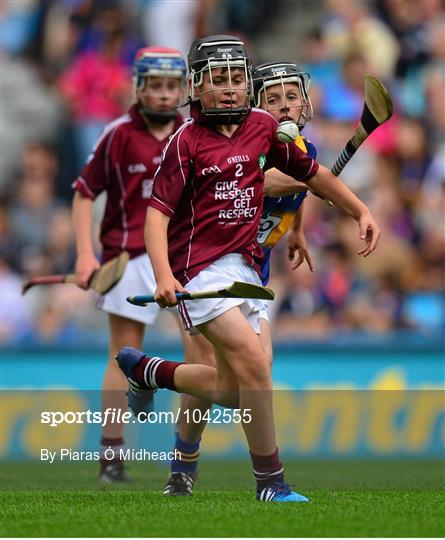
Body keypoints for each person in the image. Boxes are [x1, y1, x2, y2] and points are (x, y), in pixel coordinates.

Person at [116, 35, 380, 502]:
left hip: (248, 266)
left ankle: (150, 372)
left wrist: (357, 210)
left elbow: (309, 177)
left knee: (240, 387)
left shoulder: (260, 128)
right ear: (198, 87)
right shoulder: (187, 143)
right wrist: (162, 275)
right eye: (221, 80)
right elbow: (159, 215)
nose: (232, 88)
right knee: (246, 367)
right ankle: (261, 480)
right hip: (197, 267)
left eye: (239, 78)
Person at [71, 46, 190, 482]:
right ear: (138, 87)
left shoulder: (192, 132)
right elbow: (84, 193)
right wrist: (85, 254)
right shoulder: (117, 133)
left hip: (184, 258)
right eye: (154, 86)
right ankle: (111, 457)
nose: (163, 95)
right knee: (120, 353)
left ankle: (184, 458)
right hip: (127, 257)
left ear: (183, 89)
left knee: (201, 352)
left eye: (171, 86)